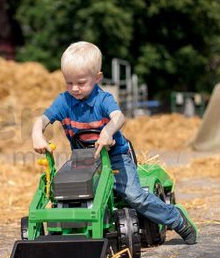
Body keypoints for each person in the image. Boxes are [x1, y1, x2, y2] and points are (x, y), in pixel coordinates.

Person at [31, 41, 198, 244]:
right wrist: (37, 135)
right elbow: (41, 120)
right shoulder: (64, 101)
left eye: (81, 83)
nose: (74, 88)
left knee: (134, 197)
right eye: (69, 82)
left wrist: (108, 131)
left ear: (97, 78)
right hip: (85, 161)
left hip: (116, 156)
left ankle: (176, 218)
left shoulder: (103, 99)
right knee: (69, 194)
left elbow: (118, 117)